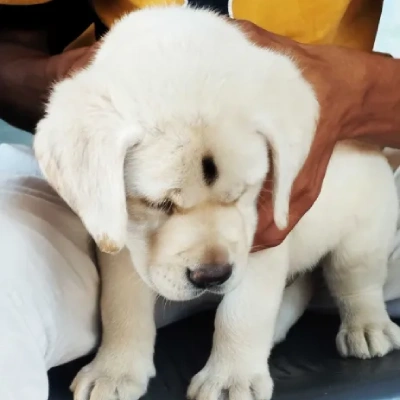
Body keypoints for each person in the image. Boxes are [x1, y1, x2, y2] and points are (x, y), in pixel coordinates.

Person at [0, 0, 399, 399]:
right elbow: (13, 50)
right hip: (98, 180)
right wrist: (122, 351)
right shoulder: (102, 144)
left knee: (356, 209)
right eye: (163, 203)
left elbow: (268, 239)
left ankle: (333, 293)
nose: (212, 257)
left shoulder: (272, 117)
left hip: (340, 178)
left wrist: (356, 93)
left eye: (240, 192)